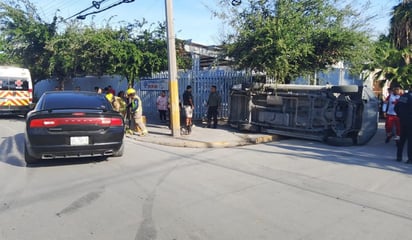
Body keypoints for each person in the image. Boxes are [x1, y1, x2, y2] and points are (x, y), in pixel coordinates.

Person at [395, 87, 412, 163]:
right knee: (410, 141)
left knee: (402, 139)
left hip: (403, 120)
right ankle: (410, 159)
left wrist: (400, 115)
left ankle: (399, 156)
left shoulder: (403, 96)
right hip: (410, 121)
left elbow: (396, 108)